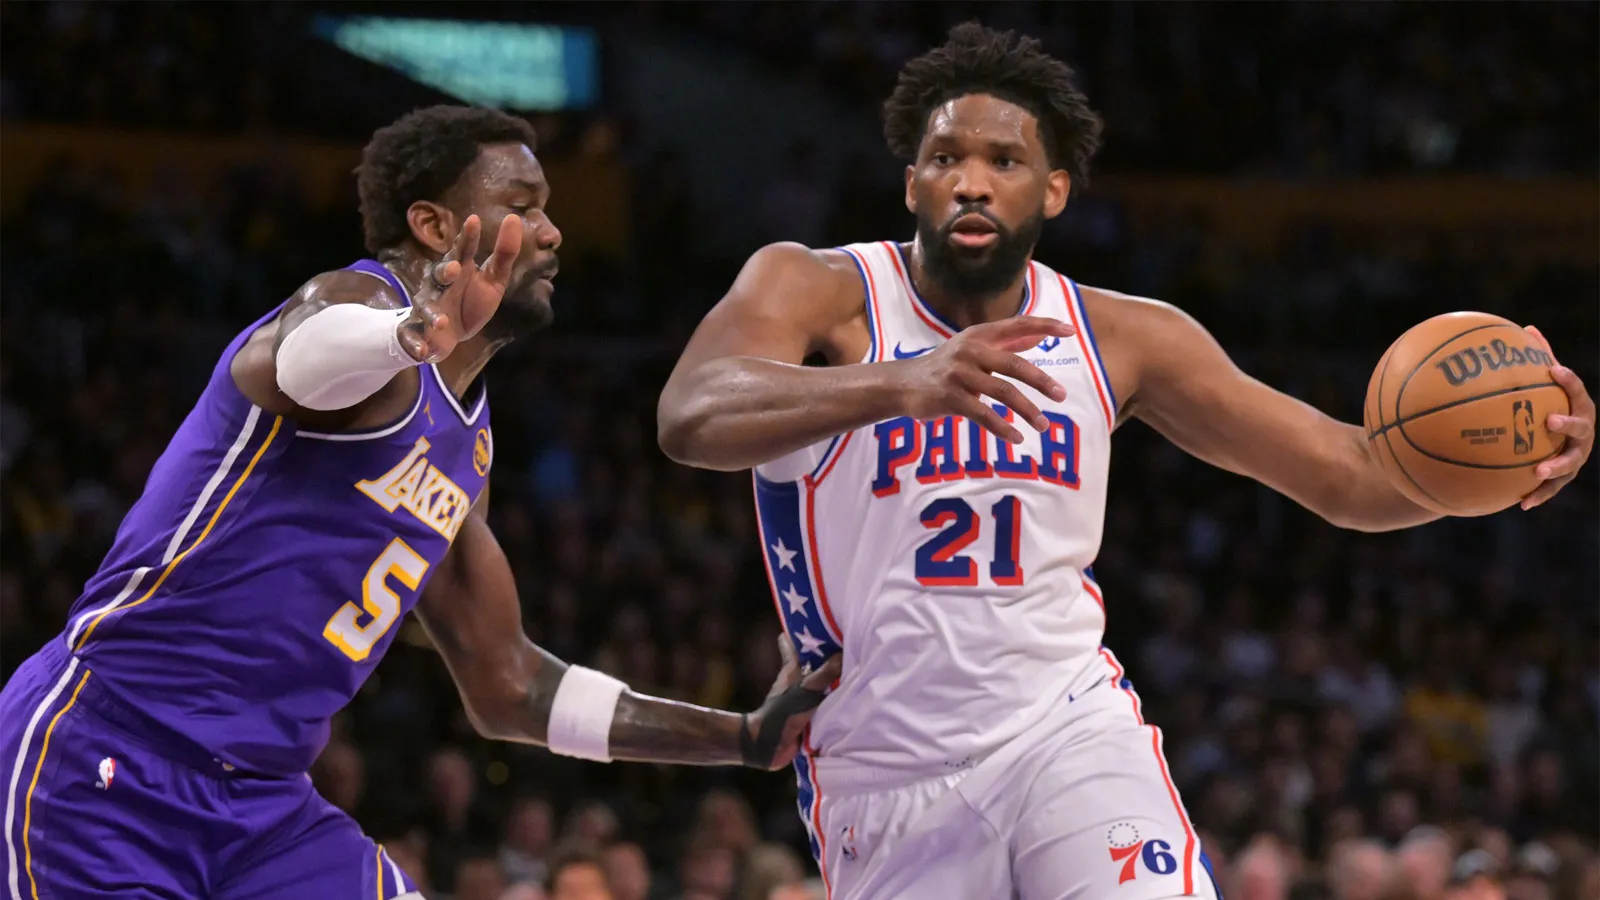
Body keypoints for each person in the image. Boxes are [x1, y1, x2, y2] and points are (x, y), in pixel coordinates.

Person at [656, 23, 1595, 900]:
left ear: (1054, 190)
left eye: (1004, 161)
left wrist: (1523, 463)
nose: (971, 182)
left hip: (1064, 730)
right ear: (911, 185)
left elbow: (1351, 475)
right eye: (945, 159)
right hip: (881, 767)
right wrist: (900, 383)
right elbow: (691, 413)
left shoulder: (1124, 337)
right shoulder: (817, 288)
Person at [0, 105, 839, 900]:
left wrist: (739, 737)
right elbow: (299, 354)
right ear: (435, 226)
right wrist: (406, 335)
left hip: (261, 802)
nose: (552, 231)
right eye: (523, 207)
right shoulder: (358, 305)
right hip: (109, 754)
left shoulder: (467, 449)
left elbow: (510, 686)